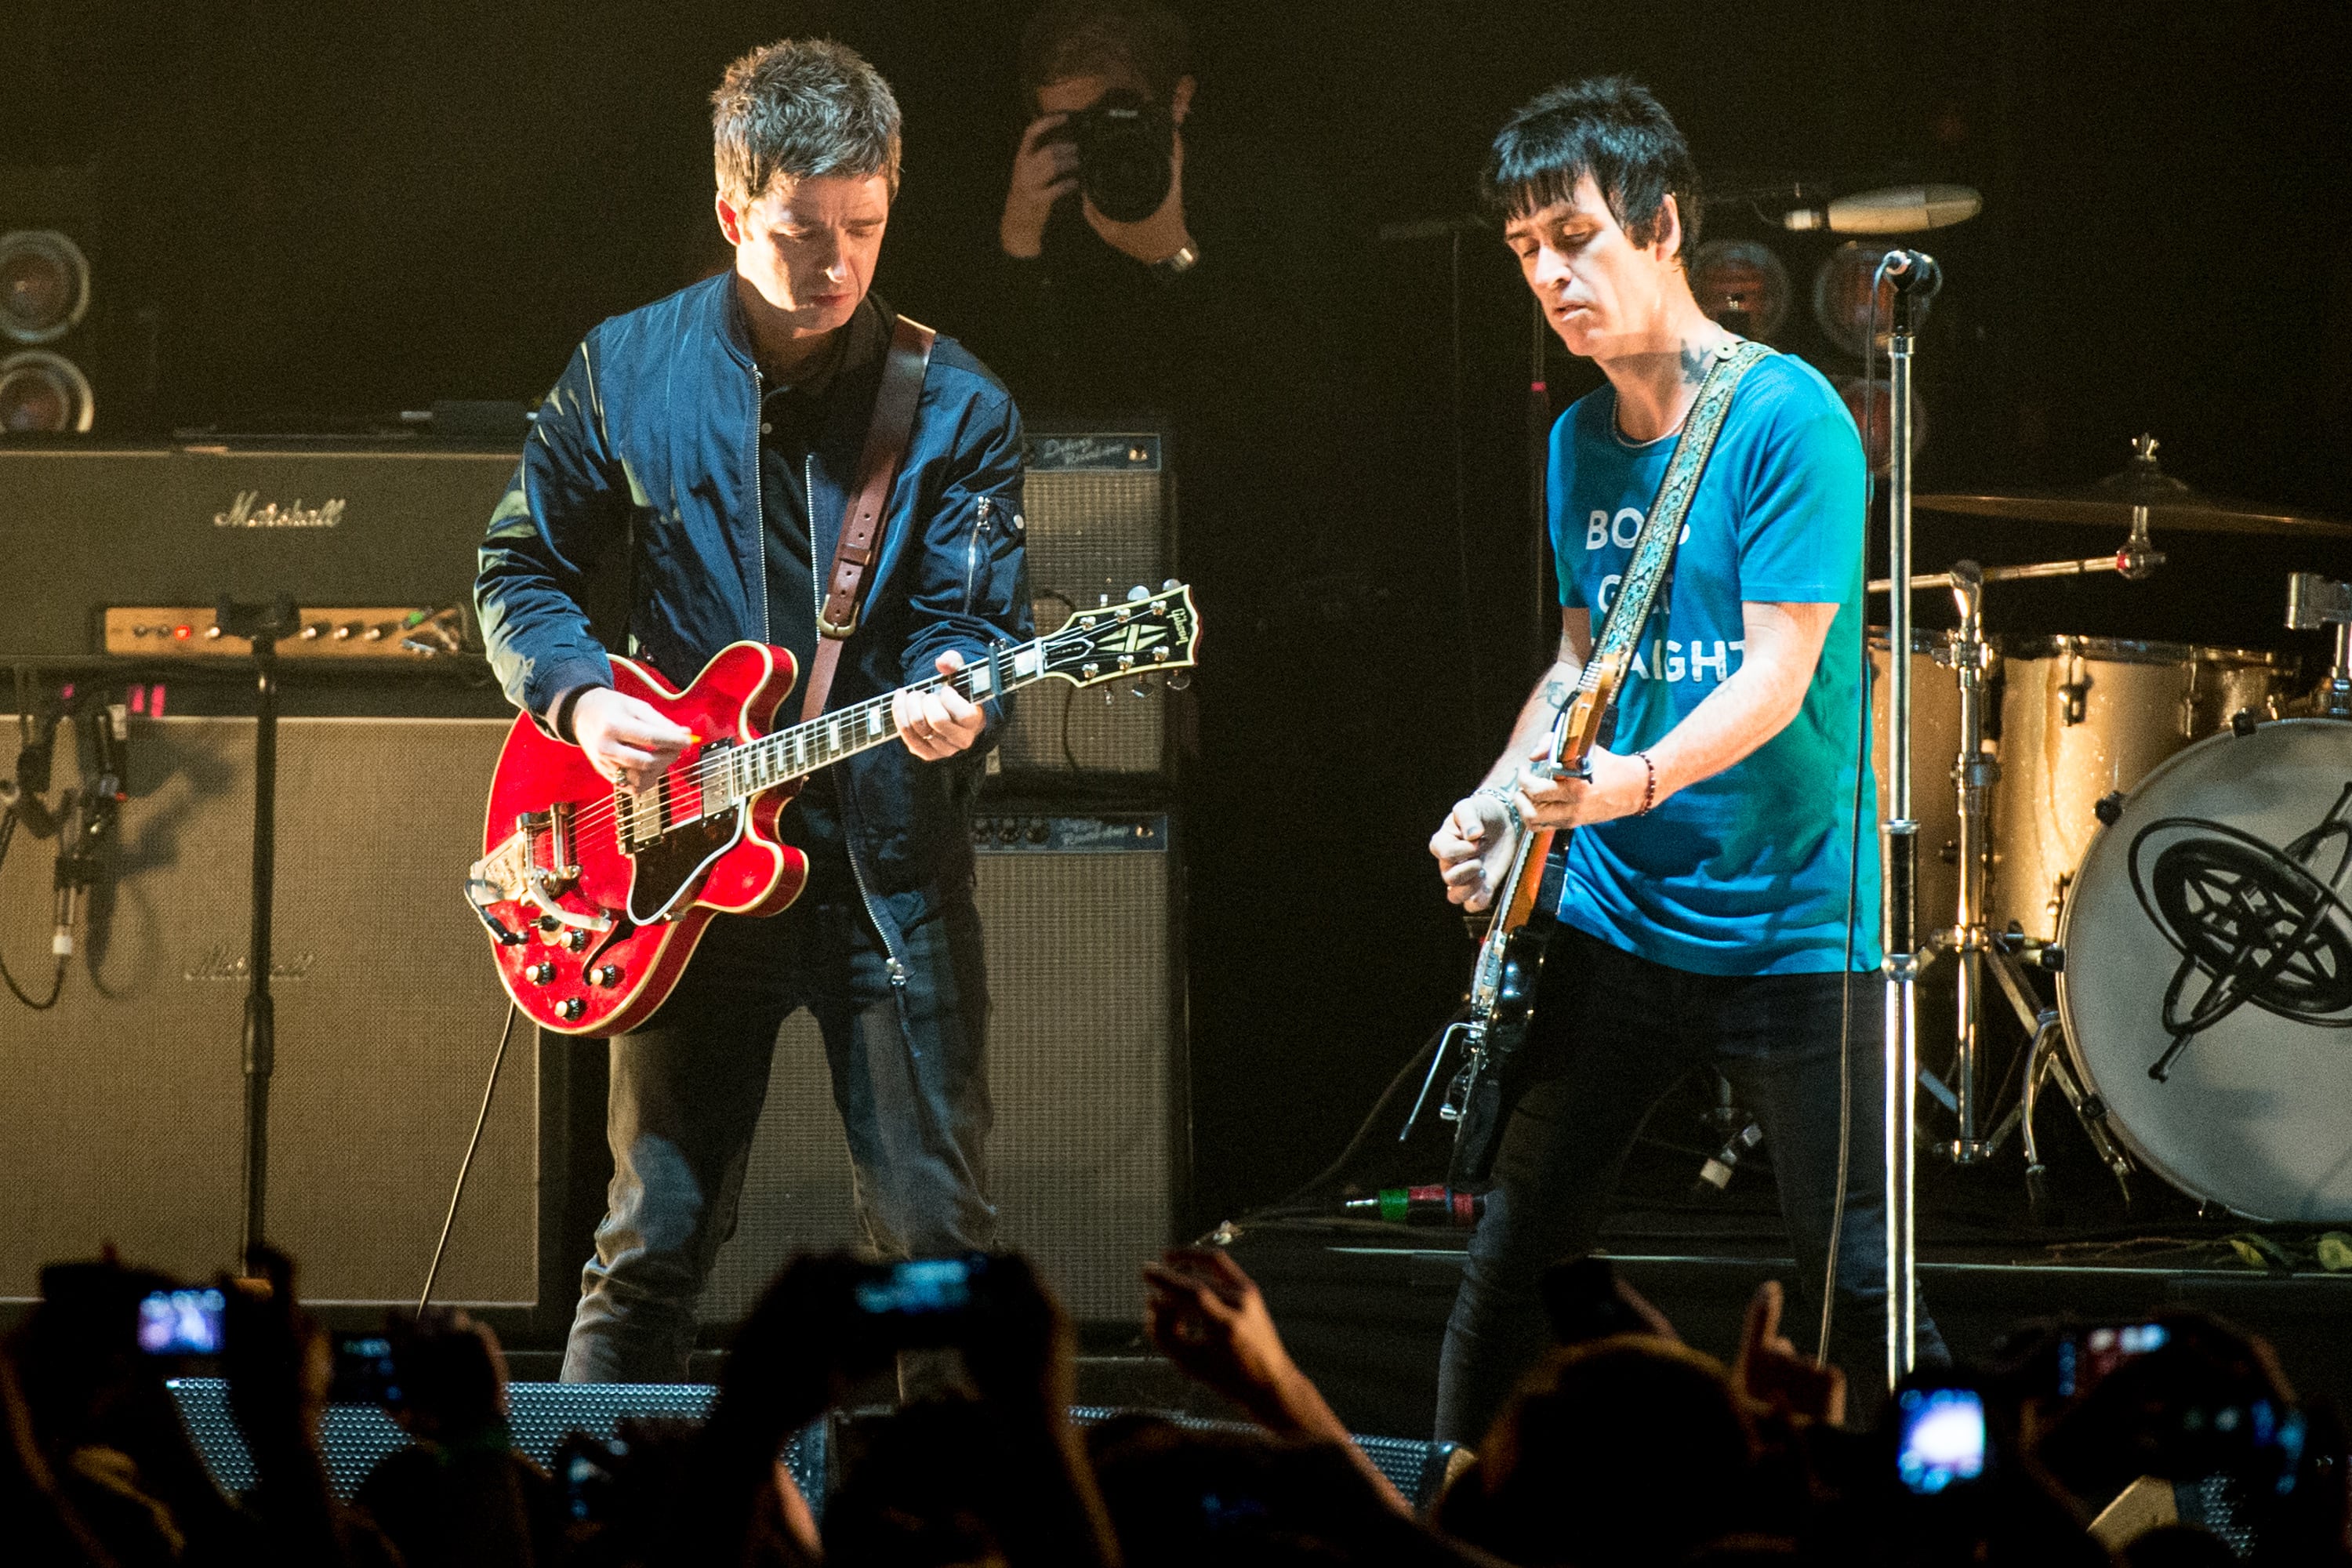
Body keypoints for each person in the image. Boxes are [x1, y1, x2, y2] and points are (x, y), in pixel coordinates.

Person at [475, 37, 1031, 1382]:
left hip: (883, 874)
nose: (837, 265)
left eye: (865, 227)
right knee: (651, 1236)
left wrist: (964, 697)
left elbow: (973, 620)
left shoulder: (956, 407)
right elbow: (519, 568)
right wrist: (587, 700)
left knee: (934, 1248)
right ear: (733, 213)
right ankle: (597, 1519)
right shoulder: (624, 367)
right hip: (672, 861)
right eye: (799, 232)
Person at [1425, 76, 1946, 1443]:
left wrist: (1629, 785)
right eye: (1524, 251)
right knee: (1519, 1253)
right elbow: (1577, 666)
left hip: (1794, 924)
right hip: (1618, 914)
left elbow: (1779, 674)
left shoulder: (1792, 420)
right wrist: (1497, 804)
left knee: (1861, 1285)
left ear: (1661, 229)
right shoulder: (1576, 441)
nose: (1549, 274)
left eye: (1574, 237)